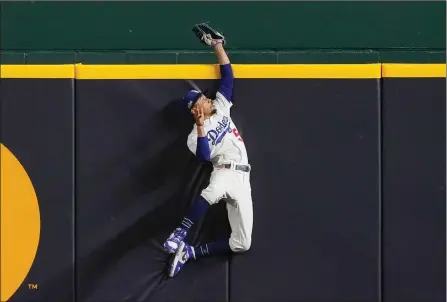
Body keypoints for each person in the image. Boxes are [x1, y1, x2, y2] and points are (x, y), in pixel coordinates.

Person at [164, 38, 253, 278]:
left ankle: (190, 253)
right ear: (196, 109)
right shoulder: (194, 137)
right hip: (224, 171)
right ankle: (179, 233)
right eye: (202, 99)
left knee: (242, 243)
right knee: (211, 192)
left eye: (205, 97)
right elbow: (204, 156)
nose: (207, 98)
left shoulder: (222, 107)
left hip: (243, 179)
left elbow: (228, 76)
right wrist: (201, 126)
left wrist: (217, 46)